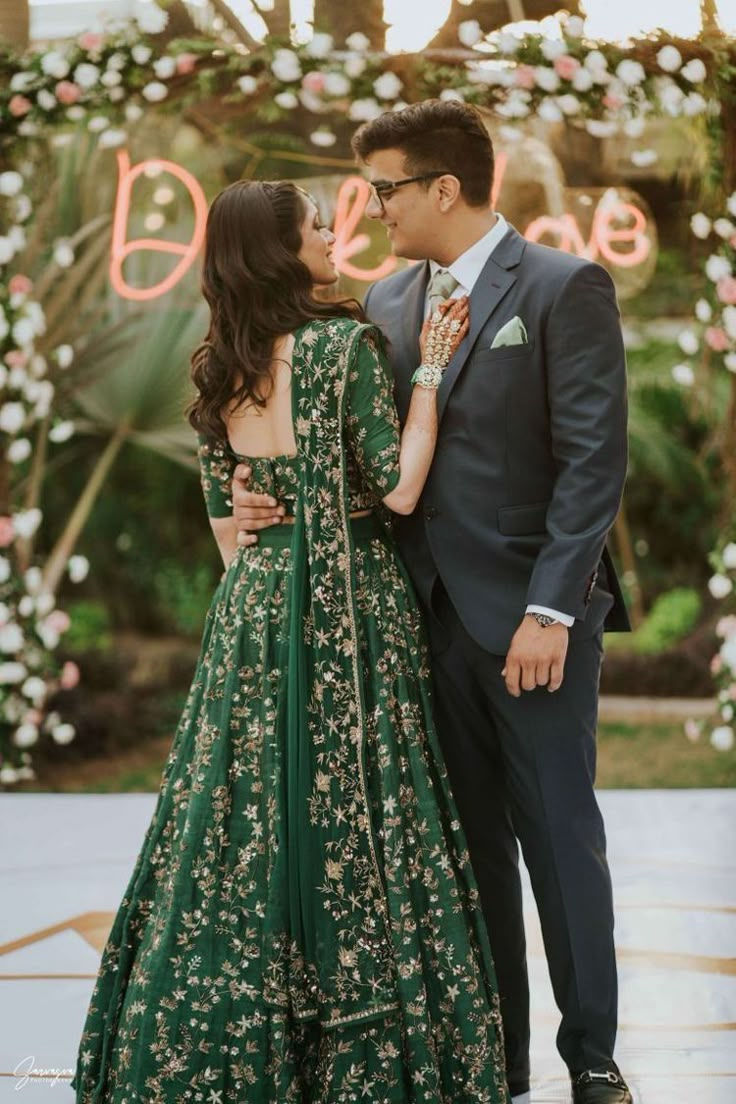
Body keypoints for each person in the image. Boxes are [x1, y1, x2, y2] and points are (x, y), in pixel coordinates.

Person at [70, 178, 512, 1103]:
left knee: (250, 814)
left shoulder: (217, 365)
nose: (332, 234)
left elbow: (229, 531)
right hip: (351, 608)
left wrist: (259, 506)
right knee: (362, 808)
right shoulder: (342, 346)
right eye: (318, 226)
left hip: (260, 612)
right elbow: (395, 490)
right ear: (282, 250)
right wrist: (429, 373)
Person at [231, 101, 633, 1104]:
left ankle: (591, 1056)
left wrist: (551, 612)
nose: (371, 212)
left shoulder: (561, 286)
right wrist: (266, 487)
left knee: (559, 844)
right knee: (471, 858)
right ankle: (493, 1065)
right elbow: (354, 451)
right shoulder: (381, 304)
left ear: (443, 189)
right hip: (418, 624)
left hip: (533, 628)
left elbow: (592, 464)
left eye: (387, 190)